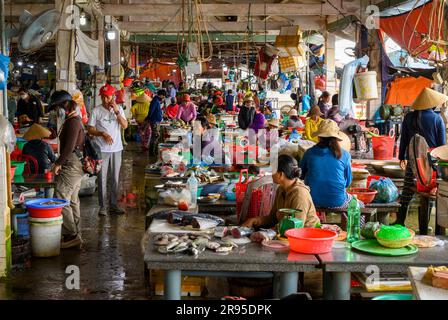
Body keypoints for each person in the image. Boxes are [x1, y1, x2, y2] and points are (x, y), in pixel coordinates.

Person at [396, 88, 448, 228]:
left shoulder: (408, 118)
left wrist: (402, 157)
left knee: (407, 190)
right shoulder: (437, 119)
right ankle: (423, 226)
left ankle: (400, 221)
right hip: (430, 165)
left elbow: (404, 140)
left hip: (412, 162)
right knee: (428, 195)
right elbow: (442, 147)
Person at [48, 90, 85, 249]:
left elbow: (69, 147)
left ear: (64, 105)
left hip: (72, 164)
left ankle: (71, 235)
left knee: (61, 198)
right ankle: (76, 233)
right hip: (75, 164)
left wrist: (58, 163)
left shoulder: (73, 122)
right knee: (73, 200)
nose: (57, 111)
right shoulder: (73, 119)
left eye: (57, 108)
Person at [242, 154, 320, 228]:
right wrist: (255, 220)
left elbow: (296, 227)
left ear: (280, 174)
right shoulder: (281, 189)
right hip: (287, 232)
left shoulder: (299, 194)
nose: (271, 174)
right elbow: (272, 218)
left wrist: (270, 233)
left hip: (306, 236)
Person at [87, 84, 128, 216]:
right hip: (101, 150)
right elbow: (90, 129)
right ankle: (103, 206)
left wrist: (116, 112)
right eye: (103, 97)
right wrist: (102, 134)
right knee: (102, 178)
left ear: (113, 97)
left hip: (116, 149)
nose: (105, 100)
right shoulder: (96, 111)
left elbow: (125, 125)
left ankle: (114, 205)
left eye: (108, 97)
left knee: (115, 178)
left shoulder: (119, 109)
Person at [300, 119, 356, 209]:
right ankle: (351, 223)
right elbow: (348, 182)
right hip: (338, 201)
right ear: (336, 137)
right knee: (359, 204)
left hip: (313, 200)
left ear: (319, 137)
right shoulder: (345, 155)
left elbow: (300, 176)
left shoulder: (309, 153)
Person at [145, 89, 166, 156]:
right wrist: (148, 118)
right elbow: (151, 111)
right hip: (154, 121)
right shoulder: (155, 101)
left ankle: (154, 151)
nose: (164, 98)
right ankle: (152, 152)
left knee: (156, 136)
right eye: (164, 96)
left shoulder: (157, 100)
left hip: (156, 121)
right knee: (155, 136)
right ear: (161, 95)